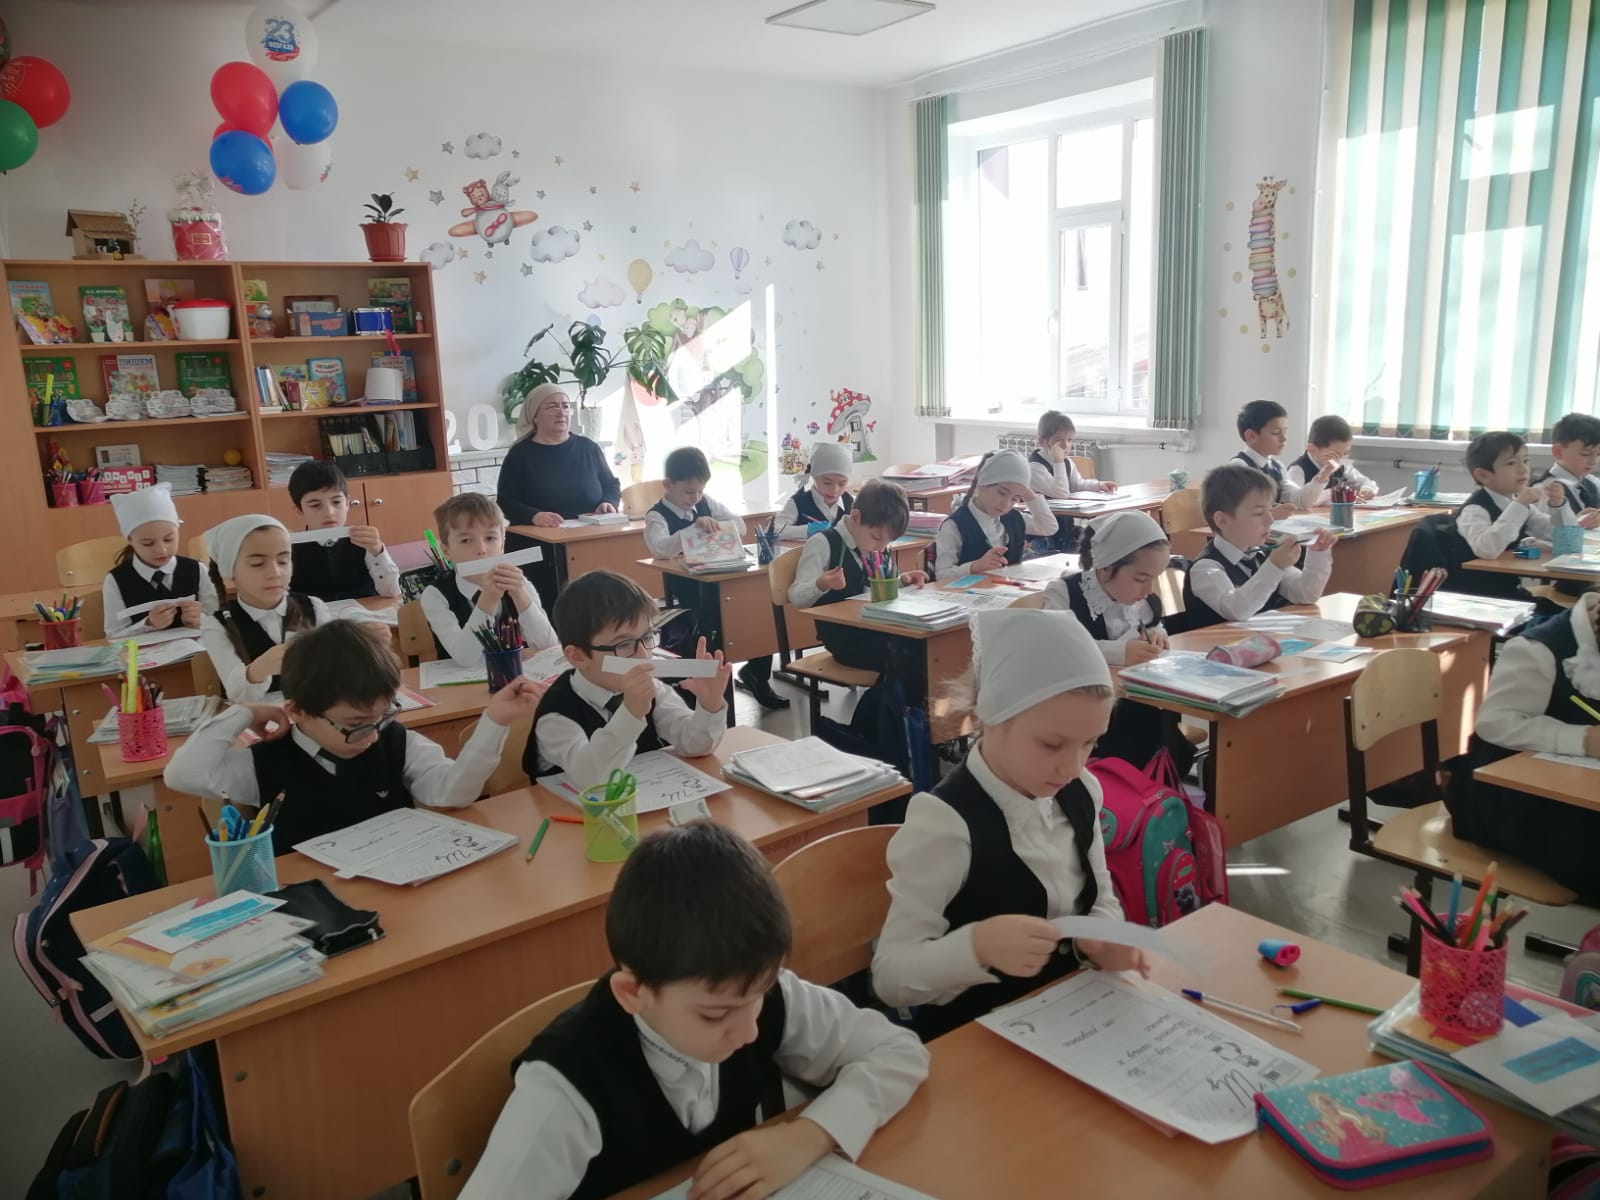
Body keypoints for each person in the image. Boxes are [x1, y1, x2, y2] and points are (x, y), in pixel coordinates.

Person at [461, 822, 929, 1200]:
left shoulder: (748, 989)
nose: (747, 1031)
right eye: (714, 1016)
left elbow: (899, 1051)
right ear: (633, 993)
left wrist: (809, 1135)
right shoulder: (564, 1088)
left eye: (759, 996)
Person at [870, 608, 1150, 1040]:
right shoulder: (946, 822)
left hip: (1070, 1019)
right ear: (992, 716)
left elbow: (1100, 896)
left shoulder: (1081, 791)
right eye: (1052, 744)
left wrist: (1103, 937)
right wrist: (976, 947)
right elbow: (891, 978)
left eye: (1090, 744)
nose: (1073, 766)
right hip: (976, 1039)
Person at [165, 621, 546, 854]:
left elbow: (453, 793)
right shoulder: (264, 763)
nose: (373, 734)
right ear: (296, 711)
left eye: (383, 715)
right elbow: (182, 775)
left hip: (398, 884)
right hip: (313, 905)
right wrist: (245, 712)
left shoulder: (395, 740)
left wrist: (494, 721)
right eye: (356, 723)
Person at [1445, 590, 1600, 903]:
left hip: (1574, 787)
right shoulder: (1538, 649)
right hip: (1508, 797)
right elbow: (1494, 723)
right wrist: (1583, 739)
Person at [524, 570, 729, 780]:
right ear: (578, 657)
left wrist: (709, 705)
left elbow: (694, 745)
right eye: (624, 644)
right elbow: (590, 775)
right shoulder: (556, 715)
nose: (642, 655)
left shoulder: (652, 689)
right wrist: (630, 714)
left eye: (647, 637)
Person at [1043, 511, 1189, 772]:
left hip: (1138, 707)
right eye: (1141, 579)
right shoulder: (1064, 593)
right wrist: (1120, 652)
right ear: (1105, 568)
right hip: (1087, 720)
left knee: (1170, 746)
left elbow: (1154, 624)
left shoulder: (1141, 600)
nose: (1149, 590)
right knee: (1133, 751)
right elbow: (1058, 647)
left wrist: (1157, 635)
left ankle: (1159, 788)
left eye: (1155, 578)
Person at [644, 447, 786, 711]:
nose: (695, 498)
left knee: (758, 611)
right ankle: (714, 691)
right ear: (668, 484)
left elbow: (739, 526)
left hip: (721, 580)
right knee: (717, 626)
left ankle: (756, 674)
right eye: (689, 492)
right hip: (691, 593)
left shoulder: (705, 502)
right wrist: (692, 530)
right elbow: (660, 549)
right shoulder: (657, 516)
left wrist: (717, 525)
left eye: (700, 491)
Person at [497, 383, 623, 608]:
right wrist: (534, 516)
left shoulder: (588, 448)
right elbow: (505, 501)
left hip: (588, 544)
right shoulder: (520, 454)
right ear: (535, 416)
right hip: (539, 550)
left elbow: (611, 485)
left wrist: (608, 502)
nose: (561, 412)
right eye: (552, 406)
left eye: (565, 406)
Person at [787, 479, 928, 676]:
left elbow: (878, 588)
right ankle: (886, 696)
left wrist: (902, 581)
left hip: (881, 628)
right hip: (847, 639)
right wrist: (821, 584)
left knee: (926, 648)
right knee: (908, 658)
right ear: (855, 517)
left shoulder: (879, 545)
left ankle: (896, 695)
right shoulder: (823, 544)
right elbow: (796, 596)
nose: (881, 547)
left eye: (888, 541)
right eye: (877, 538)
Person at [1181, 462, 1337, 628]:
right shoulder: (1205, 568)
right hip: (1218, 643)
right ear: (1222, 520)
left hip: (1262, 639)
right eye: (1258, 513)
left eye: (1270, 510)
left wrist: (1318, 554)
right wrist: (1275, 566)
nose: (1270, 520)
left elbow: (1305, 594)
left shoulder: (1260, 555)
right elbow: (1237, 610)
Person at [200, 514, 331, 702]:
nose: (275, 573)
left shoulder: (313, 607)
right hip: (258, 717)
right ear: (230, 571)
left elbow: (335, 674)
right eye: (258, 564)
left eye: (283, 561)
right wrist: (258, 670)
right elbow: (238, 696)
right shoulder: (217, 624)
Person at [420, 494, 557, 662]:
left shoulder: (520, 584)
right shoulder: (435, 595)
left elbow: (549, 647)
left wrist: (520, 595)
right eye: (466, 540)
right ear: (446, 551)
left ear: (502, 545)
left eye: (490, 538)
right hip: (461, 678)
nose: (481, 549)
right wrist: (488, 600)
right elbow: (465, 658)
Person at [1454, 431, 1571, 600]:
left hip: (1507, 592)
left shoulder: (1518, 504)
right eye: (1511, 463)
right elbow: (1487, 549)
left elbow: (1561, 537)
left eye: (1525, 461)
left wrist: (1559, 507)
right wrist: (1519, 506)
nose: (1523, 469)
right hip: (1477, 596)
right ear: (1484, 475)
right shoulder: (1474, 509)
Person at [101, 482, 218, 640]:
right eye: (148, 543)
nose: (162, 550)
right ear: (129, 540)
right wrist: (148, 624)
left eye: (169, 539)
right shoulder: (116, 580)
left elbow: (220, 618)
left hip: (195, 650)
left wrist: (201, 619)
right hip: (144, 655)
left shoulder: (197, 570)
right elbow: (113, 636)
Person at [285, 459, 401, 602]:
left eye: (336, 502)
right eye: (315, 505)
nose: (329, 512)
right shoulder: (290, 548)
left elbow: (392, 592)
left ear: (347, 503)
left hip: (364, 611)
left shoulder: (363, 541)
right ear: (299, 511)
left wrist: (378, 552)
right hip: (312, 614)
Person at [933, 450, 1058, 580]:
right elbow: (941, 576)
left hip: (1007, 590)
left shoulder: (1013, 518)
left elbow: (1049, 527)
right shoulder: (955, 525)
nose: (1006, 504)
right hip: (967, 592)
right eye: (1002, 493)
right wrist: (974, 567)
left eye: (1015, 499)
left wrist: (1026, 491)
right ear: (983, 484)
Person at [1026, 411, 1114, 555]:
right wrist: (1058, 462)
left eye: (1069, 440)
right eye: (1058, 440)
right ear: (1042, 441)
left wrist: (1098, 485)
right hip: (1041, 533)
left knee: (1097, 540)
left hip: (1064, 528)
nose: (1065, 445)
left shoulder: (1067, 462)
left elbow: (1076, 485)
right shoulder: (1035, 467)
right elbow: (1061, 493)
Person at [1286, 414, 1378, 507]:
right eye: (1335, 455)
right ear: (1312, 449)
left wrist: (1367, 489)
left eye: (1346, 453)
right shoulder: (1297, 470)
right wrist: (1334, 495)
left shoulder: (1343, 465)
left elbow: (1365, 482)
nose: (1340, 459)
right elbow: (1295, 500)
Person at [1232, 400, 1307, 512]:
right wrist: (1274, 513)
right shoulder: (1239, 467)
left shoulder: (1278, 467)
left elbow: (1298, 499)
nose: (1284, 439)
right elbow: (1240, 510)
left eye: (1285, 432)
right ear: (1251, 436)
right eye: (1276, 433)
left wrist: (1320, 479)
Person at [772, 442, 854, 540]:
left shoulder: (850, 502)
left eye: (842, 483)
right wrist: (806, 530)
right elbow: (774, 530)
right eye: (827, 483)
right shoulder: (798, 503)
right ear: (814, 477)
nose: (834, 490)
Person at [1539, 412, 1600, 526]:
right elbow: (1541, 530)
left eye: (1598, 454)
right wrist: (1576, 523)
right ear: (1558, 452)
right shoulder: (1543, 489)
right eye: (1585, 454)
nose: (1594, 461)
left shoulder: (1592, 483)